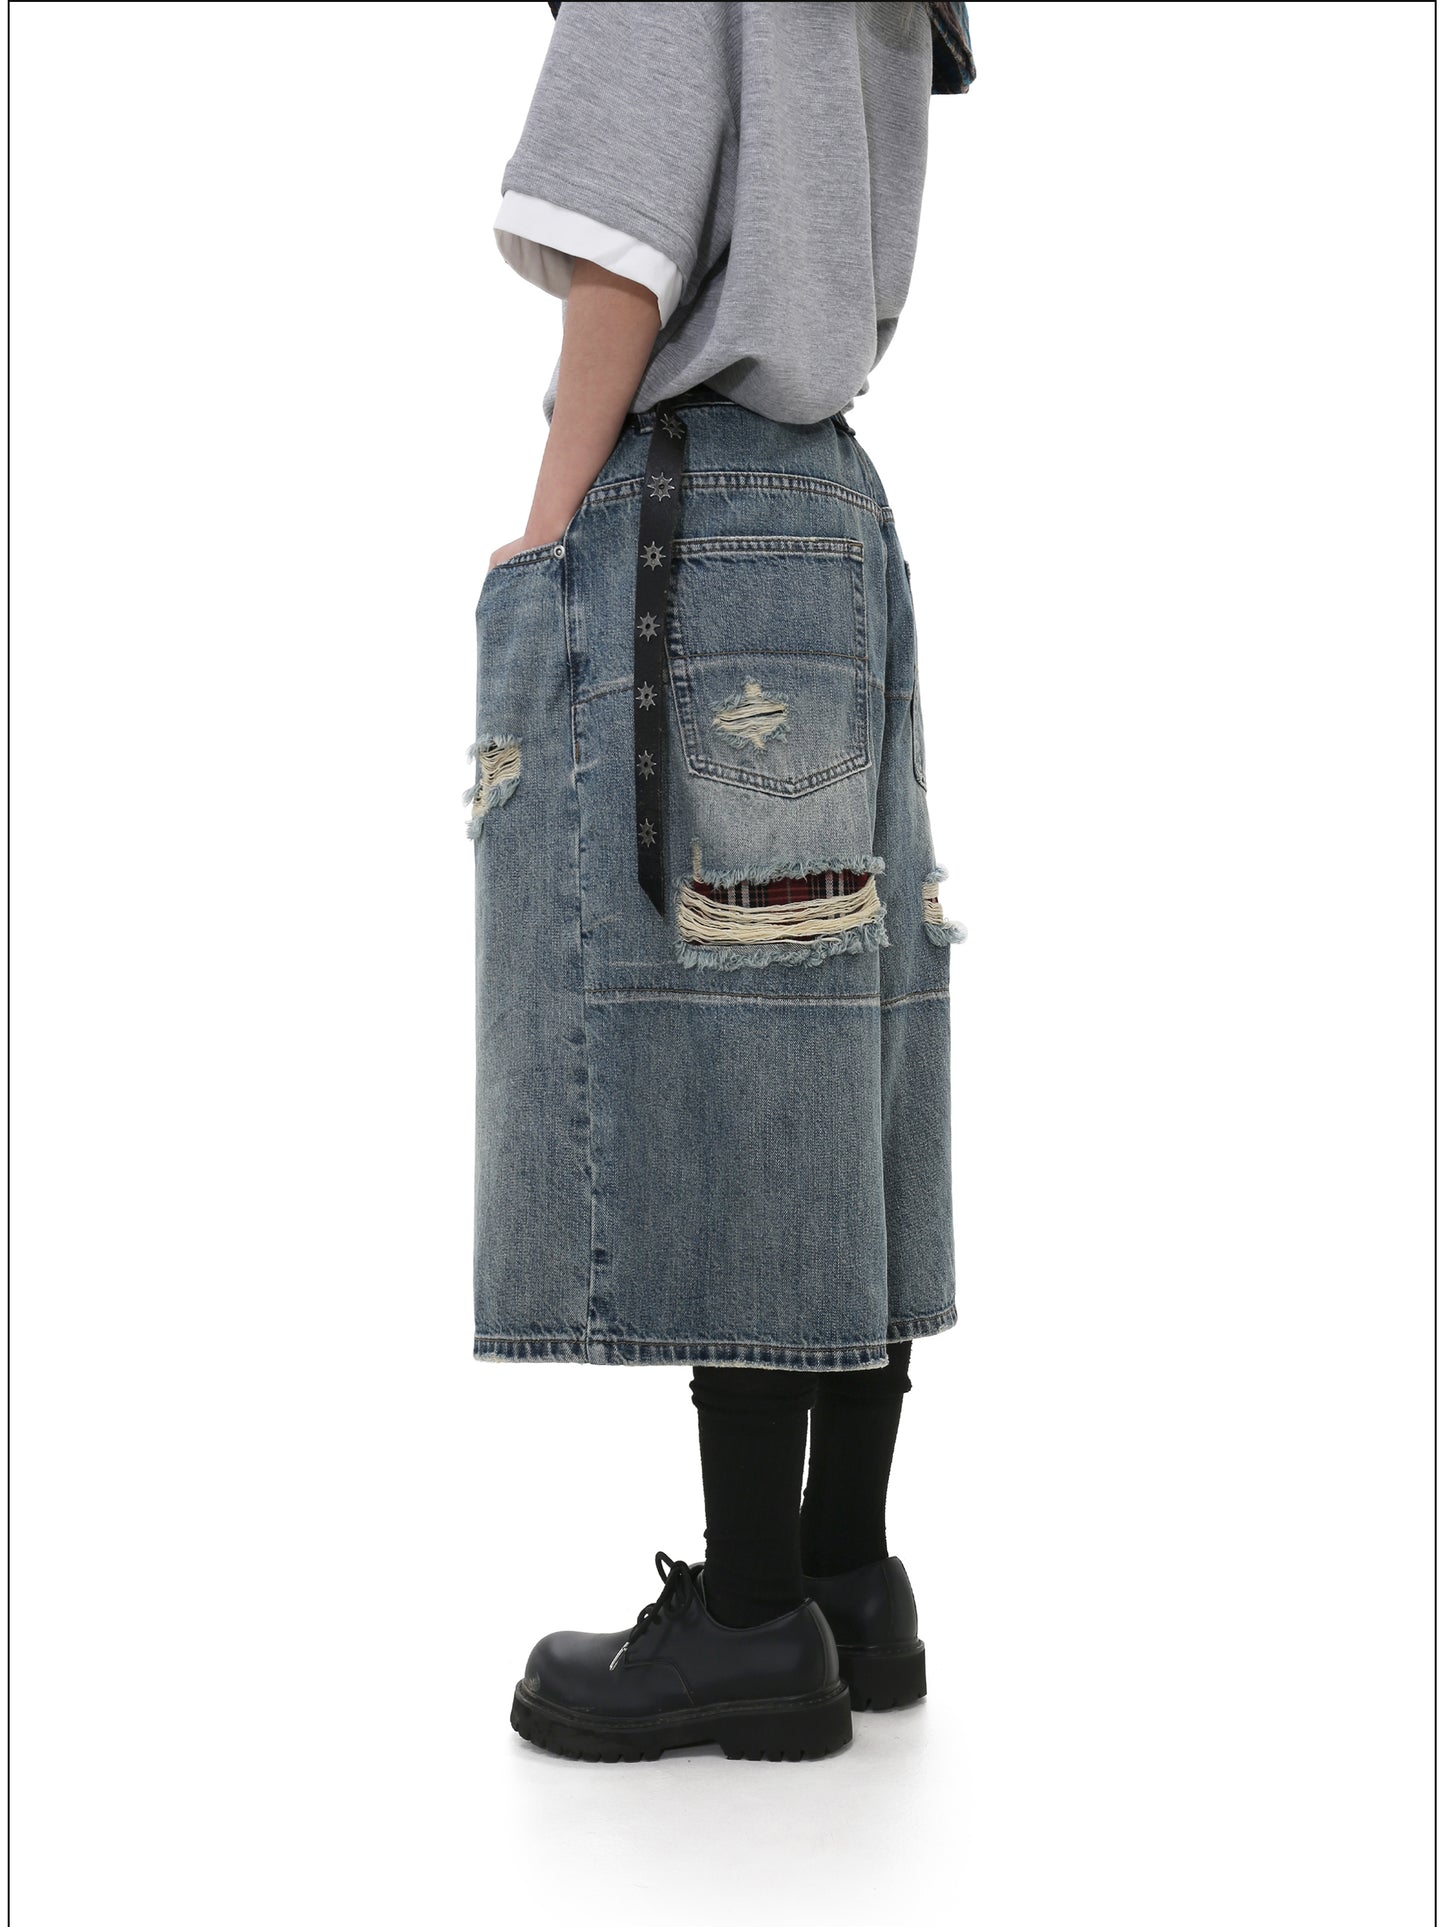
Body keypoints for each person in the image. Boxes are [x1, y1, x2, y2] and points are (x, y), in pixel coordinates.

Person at [469, 0, 974, 1763]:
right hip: (832, 512)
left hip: (698, 511)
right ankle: (843, 1572)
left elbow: (623, 244)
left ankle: (750, 1616)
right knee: (842, 1023)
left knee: (739, 1045)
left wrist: (549, 520)